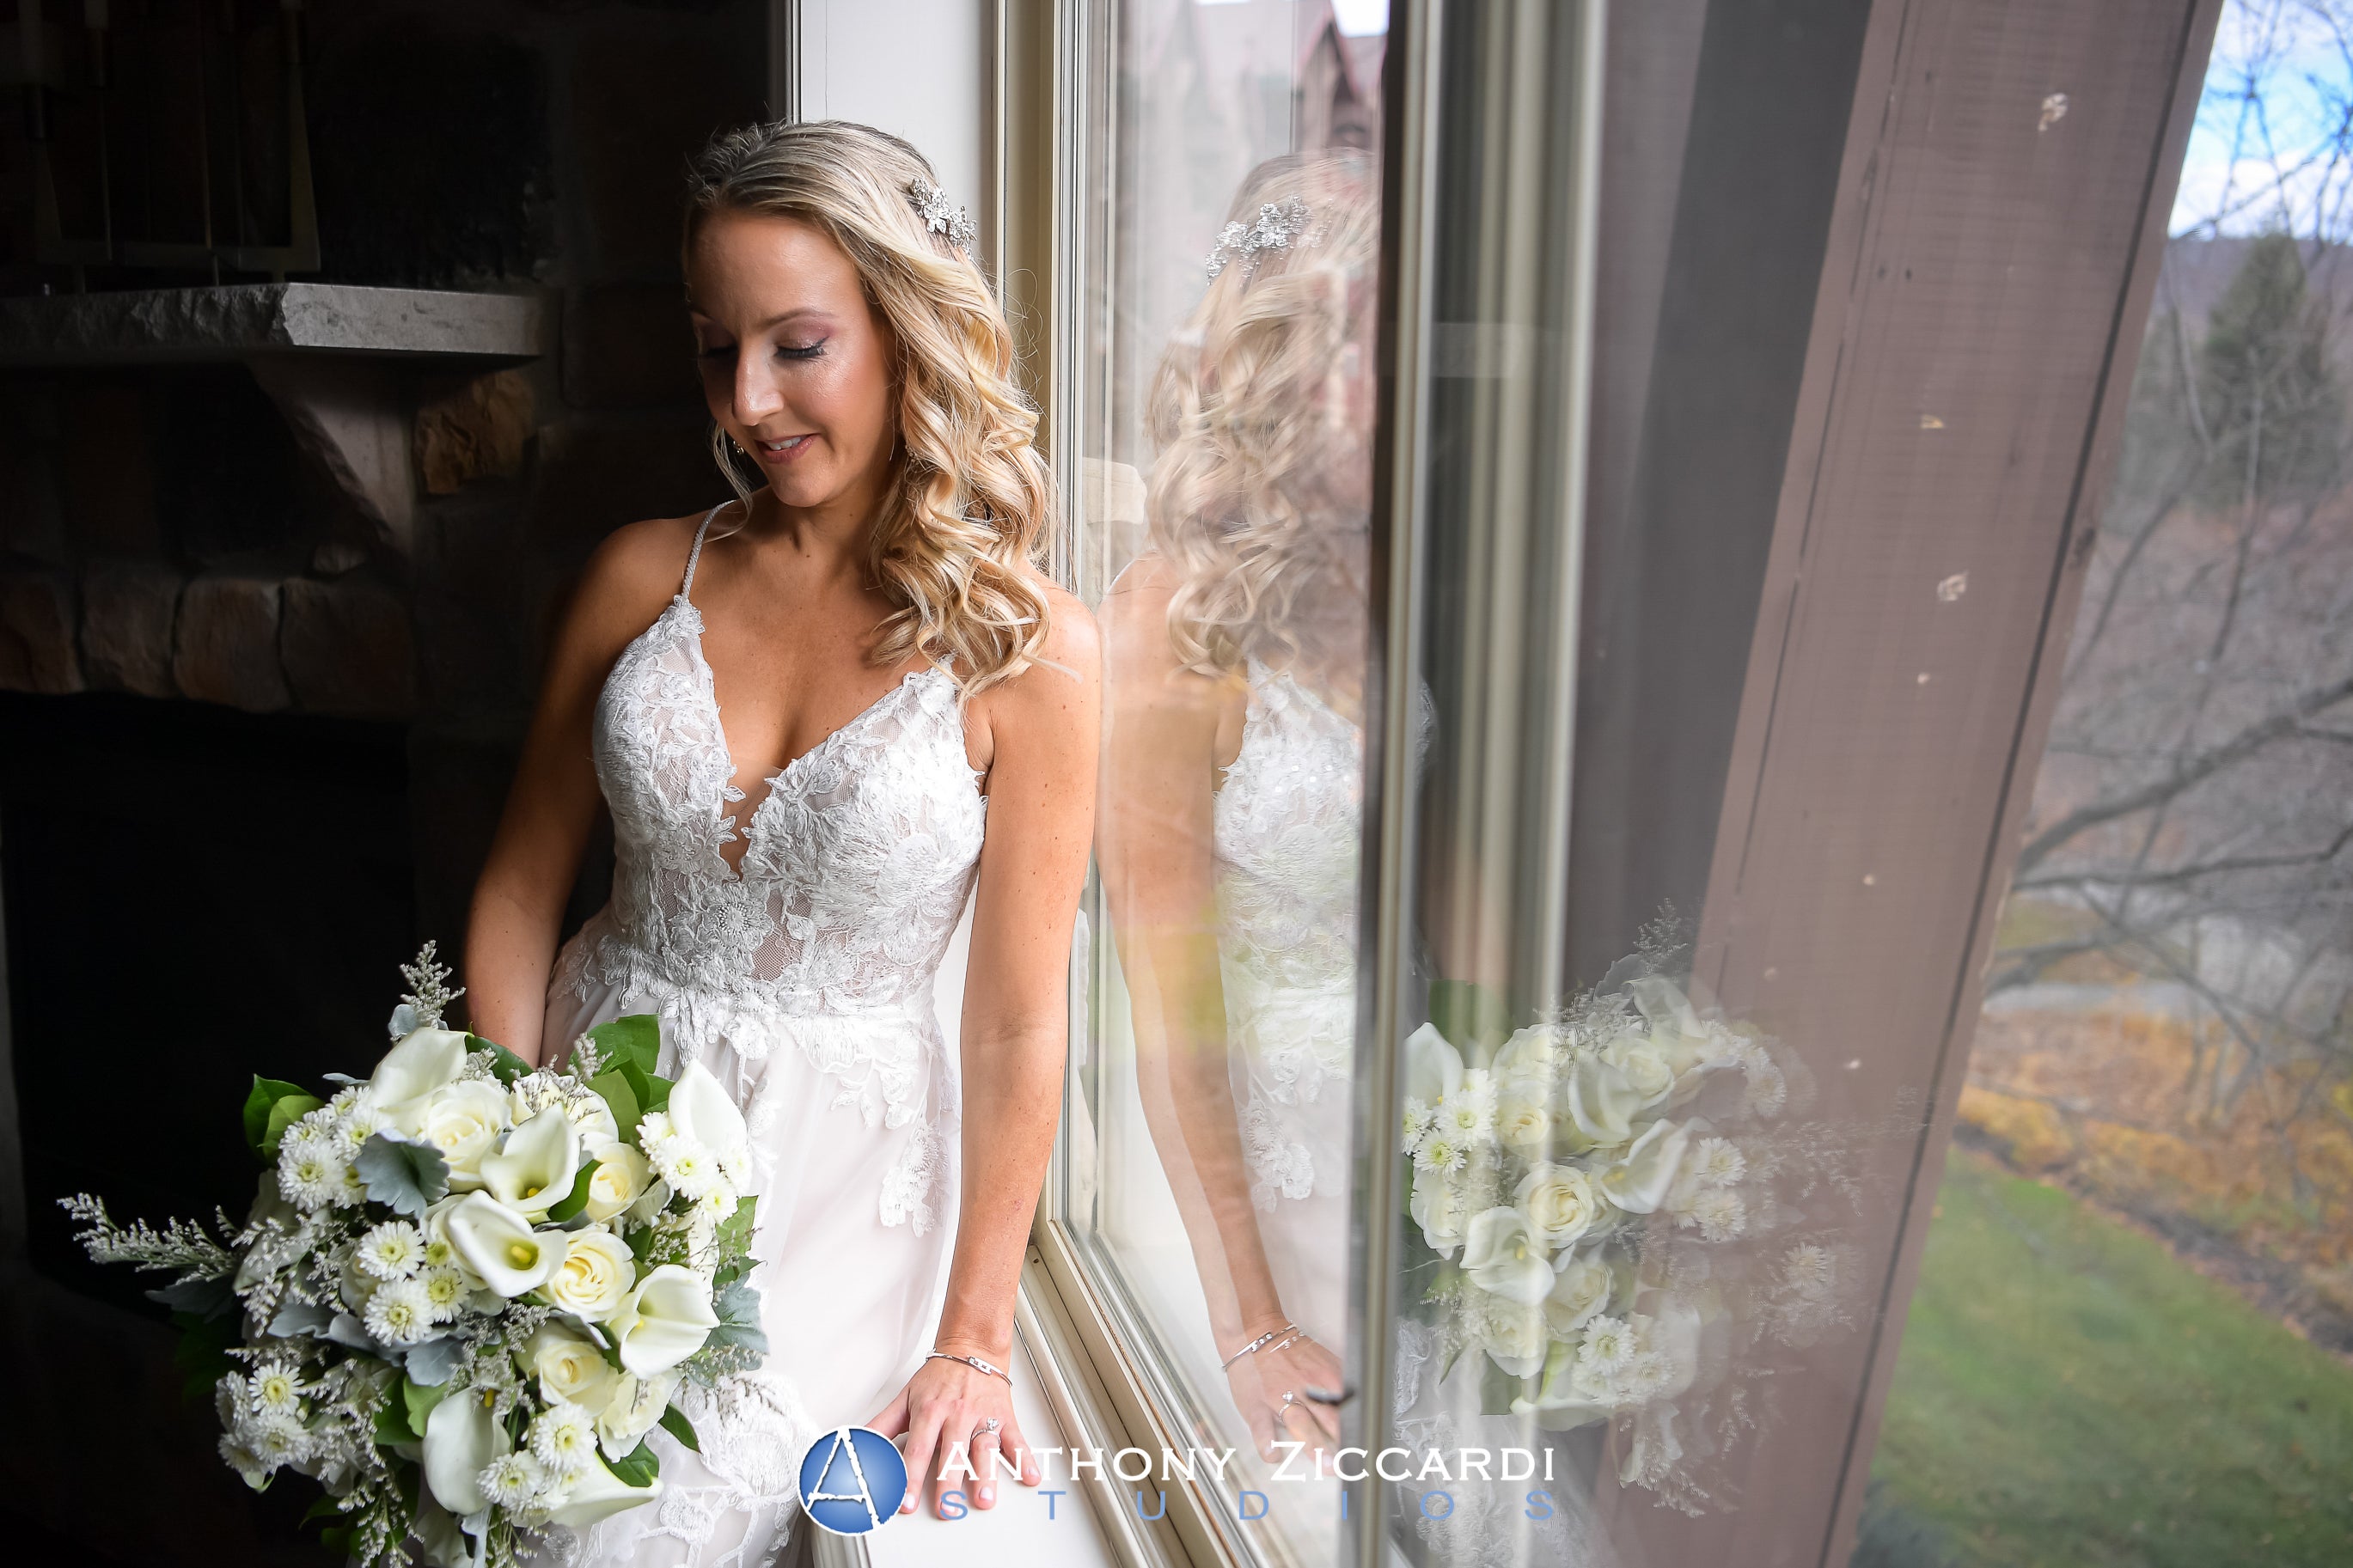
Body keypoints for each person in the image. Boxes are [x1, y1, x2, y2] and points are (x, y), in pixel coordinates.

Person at [462, 119, 1097, 1563]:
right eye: (713, 347)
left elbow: (1013, 1022)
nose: (746, 399)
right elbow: (517, 882)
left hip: (833, 1192)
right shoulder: (642, 572)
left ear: (905, 331)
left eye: (795, 345)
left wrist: (975, 1340)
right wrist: (493, 1157)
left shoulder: (1030, 652)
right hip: (583, 1128)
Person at [1097, 151, 1379, 1465]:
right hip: (1273, 1190)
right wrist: (1254, 1321)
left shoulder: (1397, 584)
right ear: (1292, 365)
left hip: (1415, 1155)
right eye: (1373, 346)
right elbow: (1169, 1013)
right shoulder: (1169, 619)